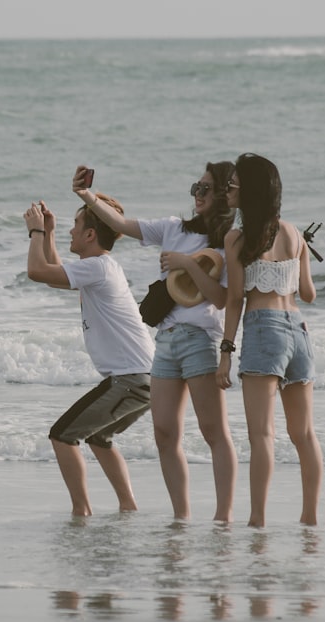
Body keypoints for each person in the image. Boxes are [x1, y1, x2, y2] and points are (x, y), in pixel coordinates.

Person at [73, 163, 238, 521]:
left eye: (206, 188)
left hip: (200, 339)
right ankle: (181, 516)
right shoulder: (173, 228)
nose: (198, 194)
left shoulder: (227, 242)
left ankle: (223, 516)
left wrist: (187, 264)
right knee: (164, 432)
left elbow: (222, 299)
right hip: (165, 341)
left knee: (213, 432)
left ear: (226, 195)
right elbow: (120, 225)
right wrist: (86, 196)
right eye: (196, 186)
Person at [23, 195, 154, 516]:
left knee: (62, 435)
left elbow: (37, 272)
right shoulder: (99, 268)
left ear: (91, 235)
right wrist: (50, 233)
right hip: (140, 377)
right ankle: (128, 508)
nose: (71, 231)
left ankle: (81, 512)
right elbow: (56, 274)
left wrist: (35, 232)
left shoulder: (98, 268)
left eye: (75, 226)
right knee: (99, 437)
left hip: (131, 378)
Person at [215, 153, 322, 528]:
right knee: (304, 434)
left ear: (250, 191)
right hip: (299, 331)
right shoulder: (294, 234)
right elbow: (308, 293)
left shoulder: (237, 239)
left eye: (232, 185)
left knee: (262, 435)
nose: (227, 190)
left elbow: (233, 300)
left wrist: (225, 353)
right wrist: (299, 256)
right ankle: (310, 519)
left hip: (264, 330)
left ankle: (257, 520)